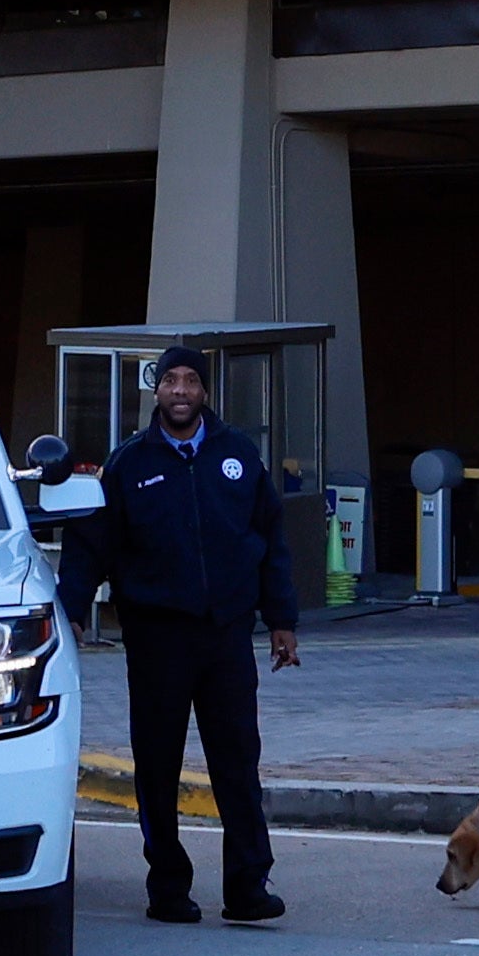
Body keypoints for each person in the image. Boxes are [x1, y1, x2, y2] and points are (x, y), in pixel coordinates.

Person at [58, 339, 304, 925]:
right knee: (159, 764)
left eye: (191, 382)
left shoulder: (238, 456)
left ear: (204, 392)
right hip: (156, 640)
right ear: (157, 391)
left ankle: (248, 886)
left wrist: (282, 621)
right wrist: (69, 606)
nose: (180, 392)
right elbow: (91, 545)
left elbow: (271, 543)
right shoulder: (129, 463)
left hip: (225, 638)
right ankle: (168, 886)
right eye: (171, 383)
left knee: (238, 762)